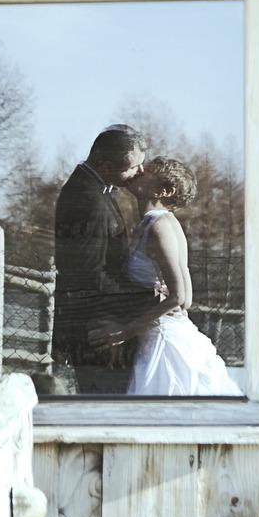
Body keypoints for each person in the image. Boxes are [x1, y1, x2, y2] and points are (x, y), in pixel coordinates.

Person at [91, 156, 242, 397]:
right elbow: (187, 298)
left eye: (146, 171)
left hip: (164, 343)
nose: (138, 171)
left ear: (165, 190)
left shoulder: (159, 227)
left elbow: (180, 297)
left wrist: (123, 332)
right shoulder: (161, 224)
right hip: (160, 333)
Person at [52, 125, 154, 394]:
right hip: (98, 330)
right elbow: (88, 273)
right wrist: (146, 297)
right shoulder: (88, 200)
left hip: (98, 323)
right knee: (107, 404)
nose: (141, 172)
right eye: (134, 167)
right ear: (104, 164)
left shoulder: (96, 189)